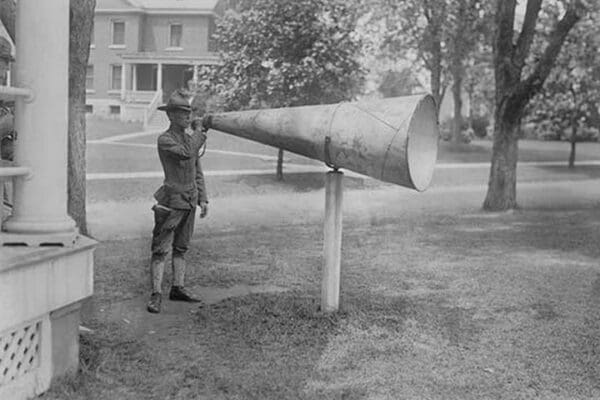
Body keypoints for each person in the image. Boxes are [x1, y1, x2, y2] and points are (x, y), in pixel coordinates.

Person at [147, 89, 210, 314]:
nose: (188, 117)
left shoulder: (189, 139)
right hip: (171, 202)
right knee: (160, 249)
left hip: (189, 200)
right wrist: (199, 132)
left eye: (189, 112)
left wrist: (203, 198)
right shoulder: (165, 139)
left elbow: (197, 171)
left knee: (181, 248)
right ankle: (156, 294)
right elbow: (185, 153)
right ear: (171, 116)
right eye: (183, 113)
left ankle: (178, 288)